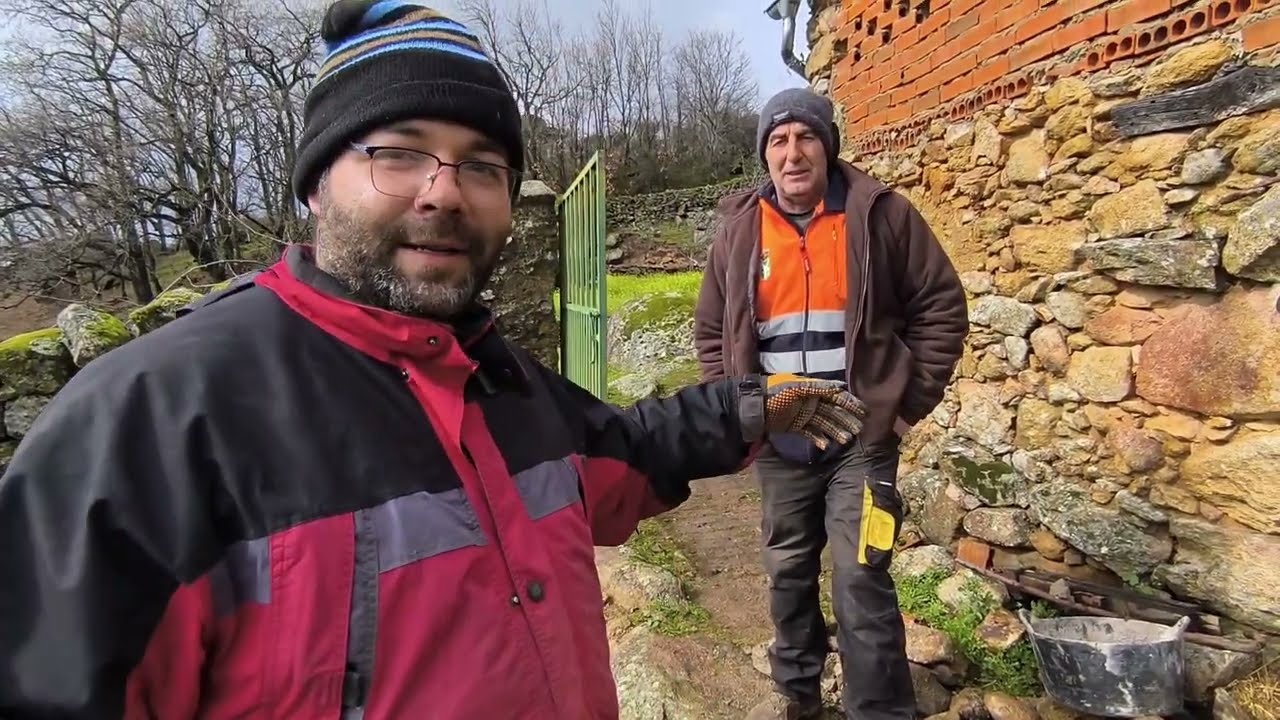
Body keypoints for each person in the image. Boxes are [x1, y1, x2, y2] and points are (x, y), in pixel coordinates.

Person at [0, 6, 872, 719]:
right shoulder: (145, 425)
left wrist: (755, 407)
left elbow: (627, 453)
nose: (445, 189)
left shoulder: (501, 380)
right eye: (398, 151)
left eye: (482, 165)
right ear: (316, 181)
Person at [694, 87, 968, 720]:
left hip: (862, 445)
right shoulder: (739, 231)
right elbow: (712, 331)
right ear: (765, 155)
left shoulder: (882, 215)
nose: (793, 154)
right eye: (778, 141)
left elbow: (941, 309)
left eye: (806, 137)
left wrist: (903, 409)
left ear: (828, 144)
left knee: (862, 576)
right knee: (788, 575)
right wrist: (740, 407)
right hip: (778, 444)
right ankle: (799, 700)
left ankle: (880, 710)